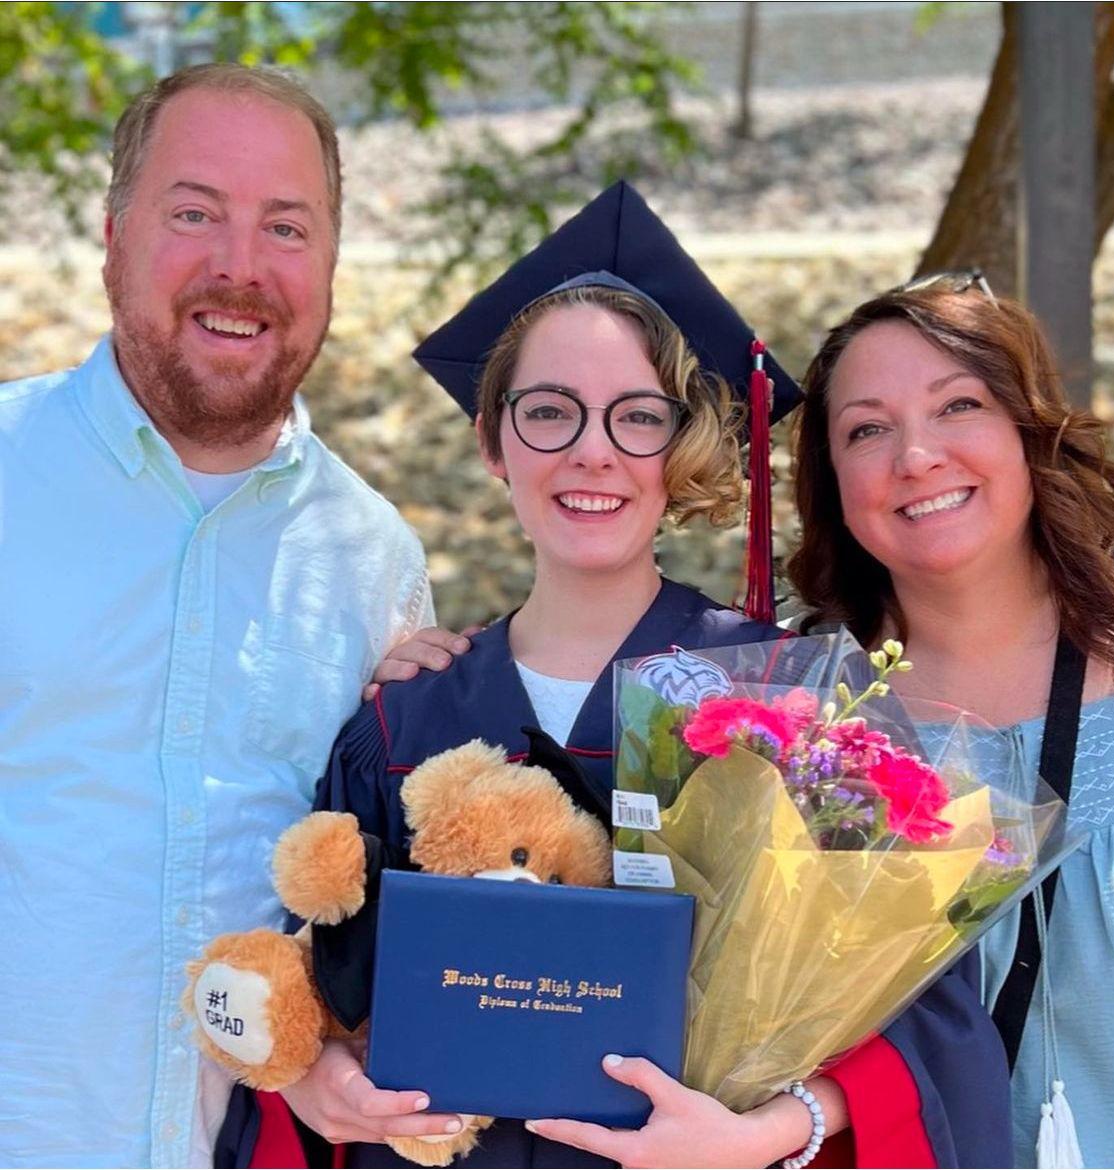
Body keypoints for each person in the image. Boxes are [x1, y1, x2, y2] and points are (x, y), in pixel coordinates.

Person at [225, 183, 1012, 1169]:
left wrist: (765, 1133)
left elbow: (923, 1012)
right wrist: (317, 1080)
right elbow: (316, 976)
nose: (592, 451)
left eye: (638, 417)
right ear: (491, 441)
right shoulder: (407, 719)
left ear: (677, 445)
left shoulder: (788, 703)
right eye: (549, 411)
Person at [0, 64, 435, 1168]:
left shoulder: (374, 561)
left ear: (332, 262)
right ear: (112, 236)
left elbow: (358, 912)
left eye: (286, 227)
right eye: (194, 213)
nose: (240, 267)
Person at [786, 273, 1114, 1168]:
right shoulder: (808, 713)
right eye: (867, 429)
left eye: (958, 404)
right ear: (833, 478)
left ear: (1028, 428)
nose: (915, 455)